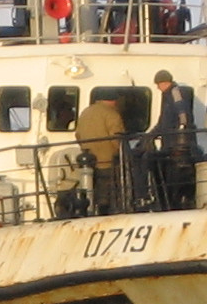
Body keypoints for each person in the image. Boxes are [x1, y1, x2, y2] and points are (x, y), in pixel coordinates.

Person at [133, 70, 198, 209]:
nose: (157, 87)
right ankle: (164, 200)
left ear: (164, 82)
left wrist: (182, 130)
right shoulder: (167, 95)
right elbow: (163, 122)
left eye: (158, 84)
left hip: (175, 144)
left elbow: (183, 112)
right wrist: (150, 135)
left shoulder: (175, 92)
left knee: (173, 175)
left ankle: (171, 201)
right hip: (169, 142)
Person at [75, 95, 125, 214]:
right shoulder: (111, 114)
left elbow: (78, 135)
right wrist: (121, 151)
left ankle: (89, 209)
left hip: (88, 161)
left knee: (92, 187)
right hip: (107, 160)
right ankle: (107, 210)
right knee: (108, 190)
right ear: (113, 100)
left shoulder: (85, 112)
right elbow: (117, 138)